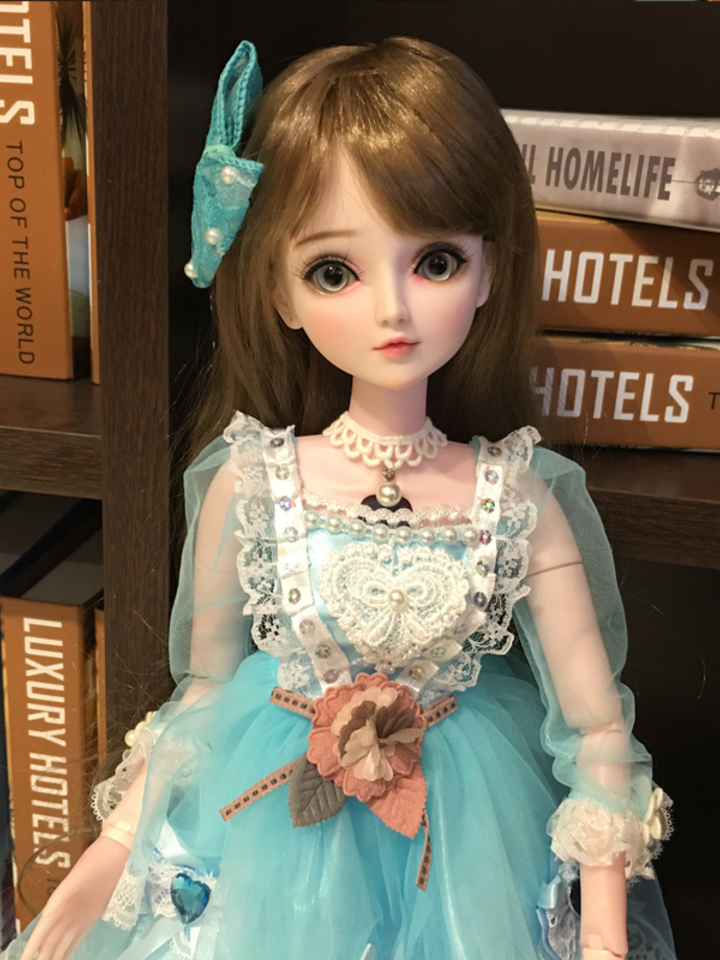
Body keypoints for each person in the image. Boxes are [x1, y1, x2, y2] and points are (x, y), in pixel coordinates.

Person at [7, 37, 676, 960]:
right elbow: (203, 691)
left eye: (435, 261)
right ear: (280, 292)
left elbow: (596, 727)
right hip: (268, 840)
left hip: (462, 851)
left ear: (489, 269)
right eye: (335, 272)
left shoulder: (516, 497)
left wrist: (602, 933)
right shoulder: (254, 478)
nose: (391, 310)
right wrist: (111, 852)